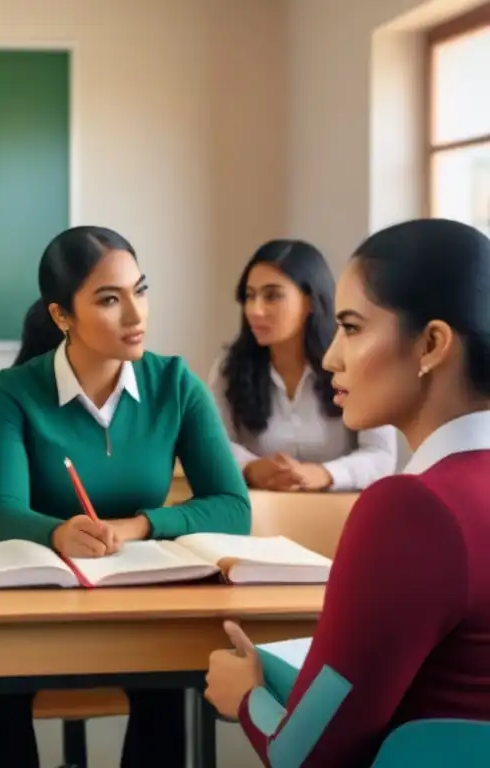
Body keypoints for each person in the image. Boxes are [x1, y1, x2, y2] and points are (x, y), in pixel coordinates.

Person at [205, 219, 490, 766]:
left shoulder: (411, 510)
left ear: (431, 344)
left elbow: (304, 756)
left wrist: (244, 694)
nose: (332, 356)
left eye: (353, 328)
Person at [0, 226, 251, 768]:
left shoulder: (175, 384)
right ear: (61, 317)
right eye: (109, 300)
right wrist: (55, 532)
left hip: (143, 602)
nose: (136, 315)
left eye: (140, 291)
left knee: (166, 677)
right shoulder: (14, 391)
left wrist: (138, 525)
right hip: (40, 605)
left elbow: (233, 506)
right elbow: (3, 511)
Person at [209, 239, 396, 491]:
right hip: (261, 515)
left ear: (310, 301)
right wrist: (250, 467)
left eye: (272, 295)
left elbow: (381, 455)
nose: (255, 310)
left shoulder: (357, 361)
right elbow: (213, 445)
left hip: (339, 514)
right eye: (249, 296)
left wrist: (325, 474)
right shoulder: (229, 368)